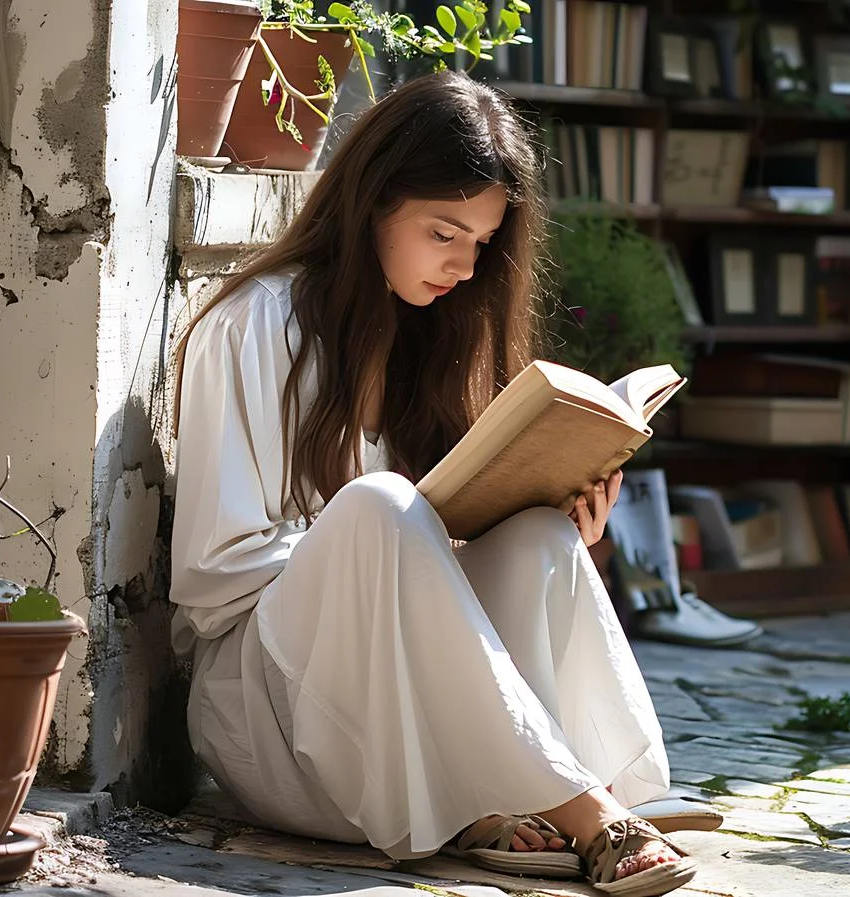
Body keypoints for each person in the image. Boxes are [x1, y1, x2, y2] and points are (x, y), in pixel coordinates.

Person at [167, 72, 697, 897]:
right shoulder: (254, 327)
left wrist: (551, 511)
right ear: (373, 202)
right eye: (443, 232)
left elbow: (458, 545)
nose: (463, 264)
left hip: (409, 715)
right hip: (276, 719)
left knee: (535, 535)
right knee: (379, 508)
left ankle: (505, 800)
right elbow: (209, 581)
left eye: (481, 244)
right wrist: (396, 552)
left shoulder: (435, 337)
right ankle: (588, 810)